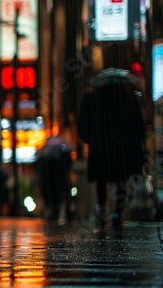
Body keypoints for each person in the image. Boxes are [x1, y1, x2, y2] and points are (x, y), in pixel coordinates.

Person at [77, 69, 147, 230]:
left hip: (100, 149)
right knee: (122, 181)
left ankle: (102, 212)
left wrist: (93, 140)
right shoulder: (129, 100)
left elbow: (82, 127)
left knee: (101, 181)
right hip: (123, 149)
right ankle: (118, 213)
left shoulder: (90, 99)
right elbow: (138, 127)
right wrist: (134, 144)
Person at [34, 134, 74, 223]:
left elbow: (38, 168)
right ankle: (64, 214)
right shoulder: (63, 153)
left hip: (50, 184)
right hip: (60, 183)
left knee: (53, 201)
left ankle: (52, 214)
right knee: (60, 200)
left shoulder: (45, 154)